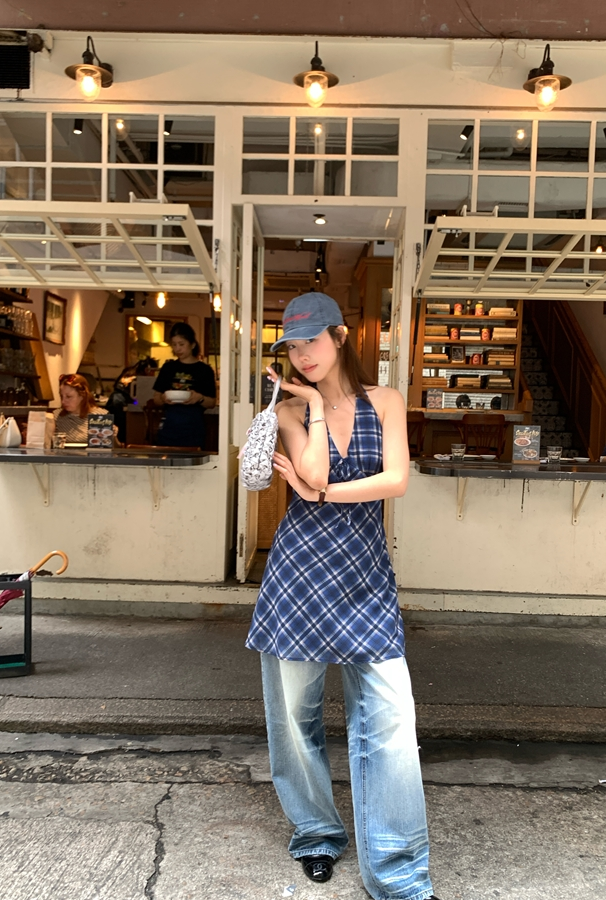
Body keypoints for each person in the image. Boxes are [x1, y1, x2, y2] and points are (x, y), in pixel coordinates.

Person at [246, 292, 438, 900]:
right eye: (293, 345)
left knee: (391, 723)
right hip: (300, 576)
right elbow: (319, 473)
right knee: (293, 719)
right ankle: (316, 834)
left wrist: (322, 496)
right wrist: (308, 409)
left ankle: (400, 875)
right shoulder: (289, 410)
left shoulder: (386, 401)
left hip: (364, 575)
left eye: (313, 340)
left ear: (340, 336)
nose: (303, 354)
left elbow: (395, 480)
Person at [152, 323, 217, 448]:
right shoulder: (168, 368)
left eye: (181, 344)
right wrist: (163, 398)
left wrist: (200, 398)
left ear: (192, 344)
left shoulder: (205, 370)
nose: (177, 349)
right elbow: (156, 398)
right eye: (174, 344)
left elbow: (212, 402)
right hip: (169, 427)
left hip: (194, 428)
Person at [55, 374, 109, 443]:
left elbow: (111, 445)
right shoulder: (56, 416)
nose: (63, 401)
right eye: (61, 396)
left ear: (82, 396)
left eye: (68, 397)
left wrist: (113, 436)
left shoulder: (101, 416)